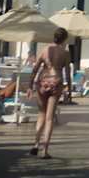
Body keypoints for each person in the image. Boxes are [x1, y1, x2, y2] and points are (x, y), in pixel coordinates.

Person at [29, 27, 71, 158]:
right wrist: (69, 89)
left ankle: (36, 144)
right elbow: (68, 72)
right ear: (64, 39)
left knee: (41, 114)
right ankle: (44, 150)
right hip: (56, 82)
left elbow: (35, 69)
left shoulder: (44, 50)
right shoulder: (65, 53)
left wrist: (30, 86)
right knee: (49, 118)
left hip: (42, 81)